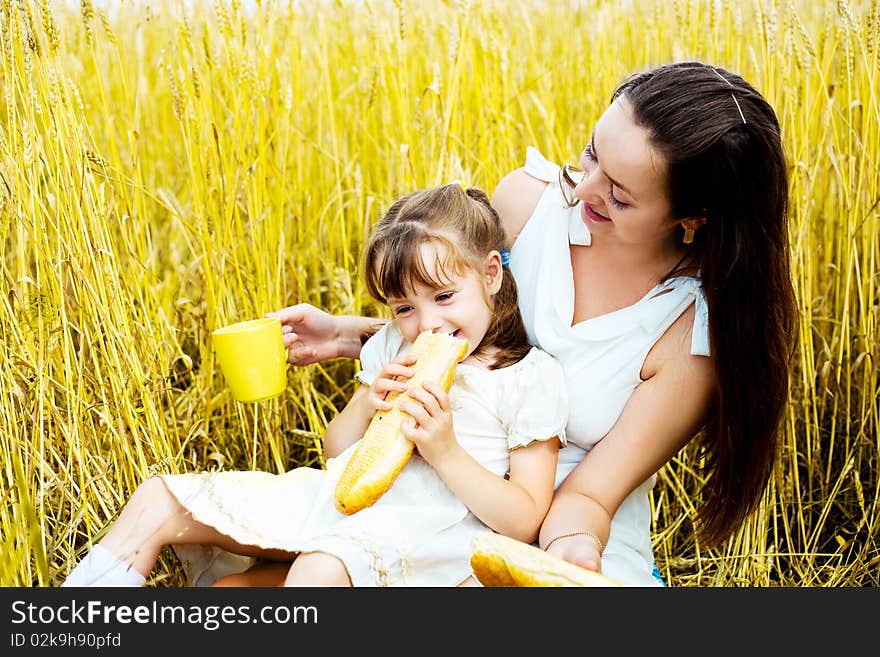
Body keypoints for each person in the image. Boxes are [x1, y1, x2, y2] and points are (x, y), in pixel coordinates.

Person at [267, 61, 798, 586]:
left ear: (693, 217)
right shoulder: (525, 204)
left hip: (558, 527)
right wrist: (346, 334)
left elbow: (589, 496)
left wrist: (572, 552)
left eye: (619, 195)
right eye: (592, 153)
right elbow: (471, 337)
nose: (585, 189)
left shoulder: (689, 335)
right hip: (435, 499)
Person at [60, 184, 567, 588]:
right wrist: (369, 404)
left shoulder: (526, 378)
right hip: (338, 504)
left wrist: (444, 449)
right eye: (405, 307)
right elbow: (338, 452)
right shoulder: (395, 345)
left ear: (492, 275)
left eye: (444, 296)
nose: (426, 323)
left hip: (430, 536)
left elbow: (523, 519)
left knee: (315, 572)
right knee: (158, 500)